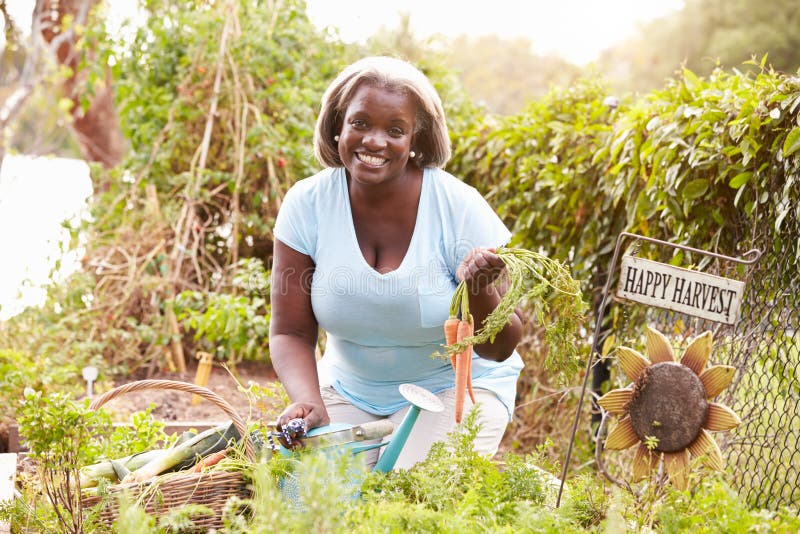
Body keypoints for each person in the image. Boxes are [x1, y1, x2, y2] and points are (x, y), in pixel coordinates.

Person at [269, 56, 524, 469]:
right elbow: (290, 330)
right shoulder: (308, 204)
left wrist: (476, 290)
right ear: (338, 125)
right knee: (320, 498)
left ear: (416, 141)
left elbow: (501, 346)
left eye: (395, 130)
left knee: (400, 494)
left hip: (454, 391)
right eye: (360, 123)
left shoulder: (457, 209)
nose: (374, 141)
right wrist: (308, 400)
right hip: (346, 391)